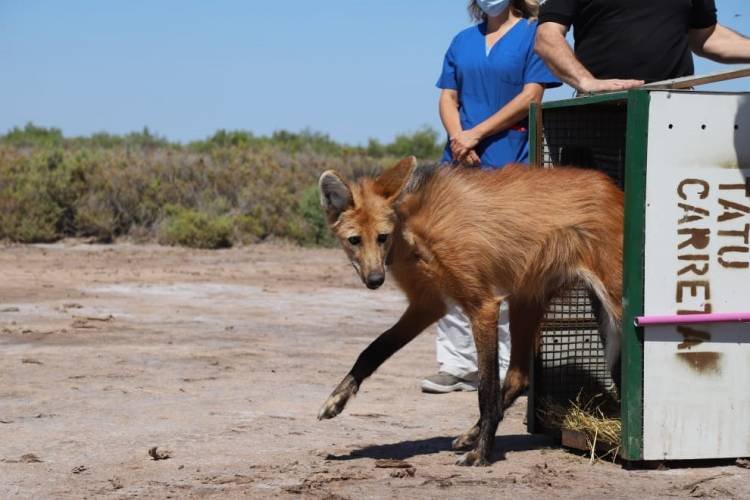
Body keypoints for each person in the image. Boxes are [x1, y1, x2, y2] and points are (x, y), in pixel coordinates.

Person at [421, 0, 560, 394]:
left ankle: (505, 368)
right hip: (457, 165)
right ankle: (456, 364)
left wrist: (476, 134)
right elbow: (448, 97)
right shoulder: (462, 41)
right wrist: (458, 138)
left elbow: (531, 96)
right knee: (448, 264)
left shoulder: (534, 35)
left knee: (504, 266)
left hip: (507, 161)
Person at [535, 0, 750, 94]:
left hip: (676, 108)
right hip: (602, 110)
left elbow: (706, 36)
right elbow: (547, 36)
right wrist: (585, 81)